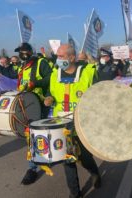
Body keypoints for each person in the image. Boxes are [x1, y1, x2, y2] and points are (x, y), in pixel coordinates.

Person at [44, 44, 101, 198]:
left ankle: (94, 172)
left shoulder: (88, 73)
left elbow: (101, 93)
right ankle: (75, 193)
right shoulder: (55, 74)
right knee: (67, 159)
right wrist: (49, 98)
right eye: (57, 56)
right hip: (61, 124)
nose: (58, 59)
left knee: (84, 157)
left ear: (72, 57)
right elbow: (51, 93)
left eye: (61, 56)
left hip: (82, 123)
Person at [15, 43, 52, 185]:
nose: (22, 54)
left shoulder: (41, 62)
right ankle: (41, 158)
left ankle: (32, 168)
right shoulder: (21, 66)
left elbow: (51, 78)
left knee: (35, 136)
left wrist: (35, 84)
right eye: (20, 51)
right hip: (26, 104)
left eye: (24, 51)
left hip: (40, 104)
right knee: (29, 135)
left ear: (30, 51)